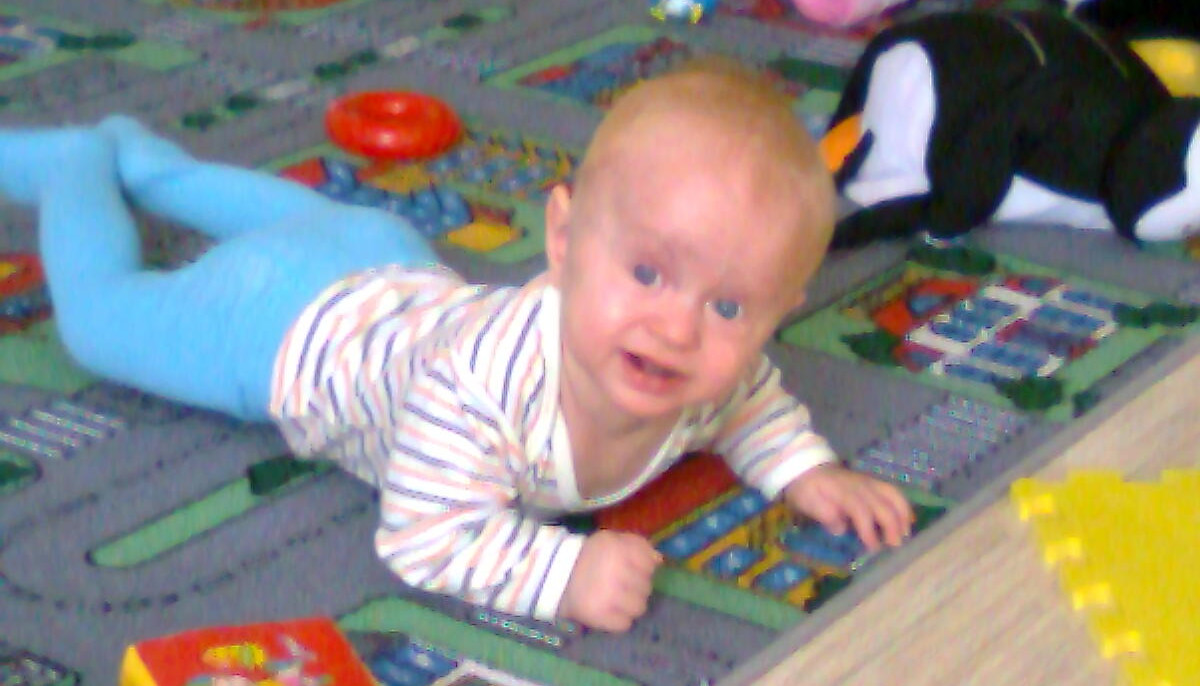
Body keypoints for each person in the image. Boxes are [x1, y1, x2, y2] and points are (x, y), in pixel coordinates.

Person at [0, 61, 912, 631]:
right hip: (282, 329)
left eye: (730, 307)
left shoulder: (710, 372)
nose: (676, 328)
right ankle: (76, 164)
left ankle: (145, 164)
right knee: (99, 321)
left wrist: (806, 471)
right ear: (563, 240)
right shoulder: (483, 389)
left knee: (302, 221)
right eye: (646, 273)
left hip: (387, 260)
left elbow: (751, 403)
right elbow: (421, 533)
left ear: (777, 313)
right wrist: (561, 572)